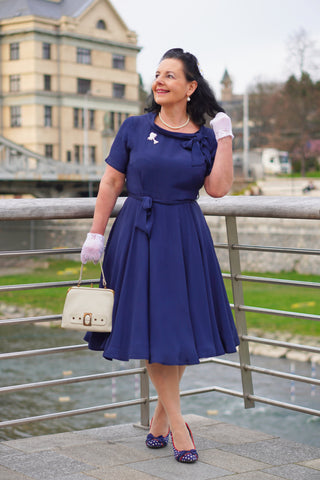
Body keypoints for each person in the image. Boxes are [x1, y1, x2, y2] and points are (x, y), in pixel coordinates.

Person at [80, 48, 239, 464]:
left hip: (185, 235)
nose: (160, 81)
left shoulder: (205, 135)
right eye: (157, 74)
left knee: (174, 327)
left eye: (171, 75)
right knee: (155, 328)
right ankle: (180, 426)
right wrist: (96, 234)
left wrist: (225, 136)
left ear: (190, 87)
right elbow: (112, 181)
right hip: (138, 233)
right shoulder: (134, 128)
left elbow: (219, 188)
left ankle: (159, 422)